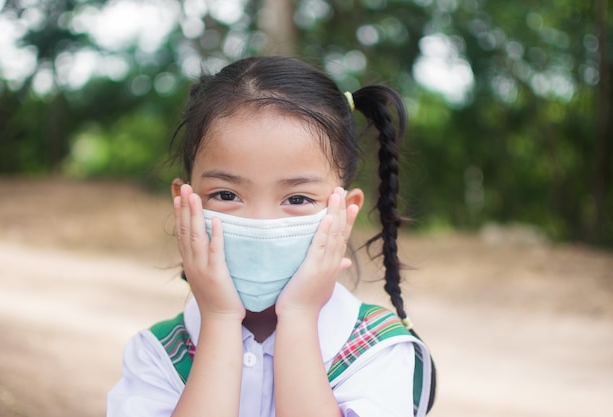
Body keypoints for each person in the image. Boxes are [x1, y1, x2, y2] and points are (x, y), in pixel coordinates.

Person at [107, 56, 436, 417]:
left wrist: (298, 316)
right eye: (227, 195)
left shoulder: (377, 350)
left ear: (344, 213)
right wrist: (219, 320)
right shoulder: (157, 355)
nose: (261, 224)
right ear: (184, 204)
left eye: (297, 198)